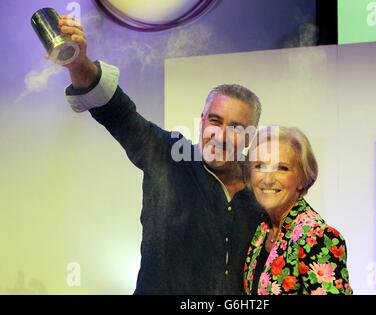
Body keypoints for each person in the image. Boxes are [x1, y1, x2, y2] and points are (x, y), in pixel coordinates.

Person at [57, 16, 267, 294]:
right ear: (202, 121)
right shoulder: (168, 157)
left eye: (237, 128)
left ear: (251, 136)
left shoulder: (265, 193)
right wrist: (78, 63)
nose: (221, 135)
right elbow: (117, 113)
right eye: (215, 121)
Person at [243, 126, 352, 295]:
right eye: (260, 166)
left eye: (282, 168)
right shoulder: (263, 229)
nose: (268, 179)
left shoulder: (316, 237)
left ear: (302, 179)